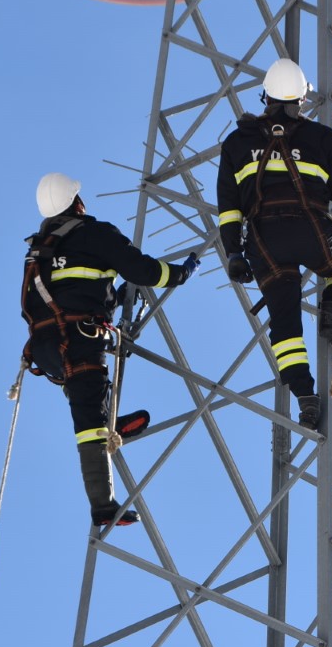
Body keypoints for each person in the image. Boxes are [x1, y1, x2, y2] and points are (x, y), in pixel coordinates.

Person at [21, 172, 199, 527]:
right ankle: (103, 505)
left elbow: (69, 292)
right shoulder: (94, 233)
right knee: (88, 419)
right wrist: (179, 274)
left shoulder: (39, 249)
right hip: (78, 340)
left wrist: (113, 299)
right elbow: (143, 270)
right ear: (77, 203)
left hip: (46, 347)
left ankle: (108, 424)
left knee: (86, 398)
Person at [216, 58, 332, 430]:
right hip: (312, 228)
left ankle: (305, 398)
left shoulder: (236, 142)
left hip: (264, 240)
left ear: (265, 97)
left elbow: (229, 208)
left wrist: (233, 253)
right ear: (301, 99)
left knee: (284, 323)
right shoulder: (322, 137)